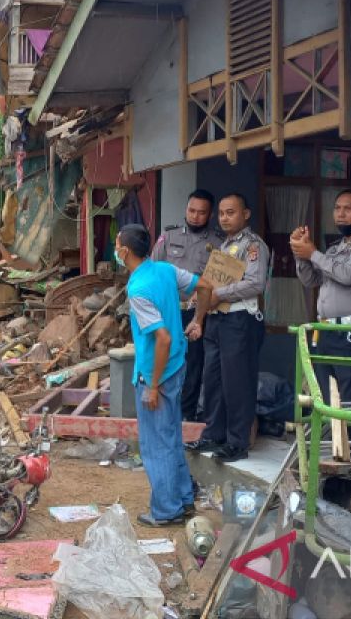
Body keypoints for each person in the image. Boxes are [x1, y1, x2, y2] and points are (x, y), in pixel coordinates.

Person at [115, 223, 214, 527]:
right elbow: (207, 286)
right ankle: (183, 499)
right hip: (177, 365)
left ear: (125, 252)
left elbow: (163, 338)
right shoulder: (166, 270)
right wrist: (198, 320)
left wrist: (153, 386)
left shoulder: (138, 290)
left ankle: (166, 509)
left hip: (156, 371)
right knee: (170, 436)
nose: (116, 249)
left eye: (117, 245)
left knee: (156, 445)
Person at [290, 189, 351, 457]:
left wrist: (313, 253)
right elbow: (311, 281)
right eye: (337, 208)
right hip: (328, 330)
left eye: (348, 208)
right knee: (327, 398)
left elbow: (346, 274)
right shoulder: (335, 248)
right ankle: (332, 460)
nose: (341, 214)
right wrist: (301, 254)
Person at [187, 193, 269, 462]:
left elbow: (256, 283)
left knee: (237, 382)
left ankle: (237, 442)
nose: (224, 217)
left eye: (230, 212)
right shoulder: (222, 246)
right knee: (213, 380)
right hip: (217, 319)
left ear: (245, 214)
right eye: (221, 213)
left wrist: (220, 294)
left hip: (240, 319)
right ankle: (213, 434)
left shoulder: (254, 245)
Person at [151, 189, 225, 423]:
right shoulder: (169, 237)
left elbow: (220, 281)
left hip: (198, 314)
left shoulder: (218, 244)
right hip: (168, 312)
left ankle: (186, 414)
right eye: (191, 211)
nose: (195, 216)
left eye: (201, 213)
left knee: (193, 364)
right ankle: (162, 410)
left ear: (210, 215)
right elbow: (153, 271)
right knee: (165, 360)